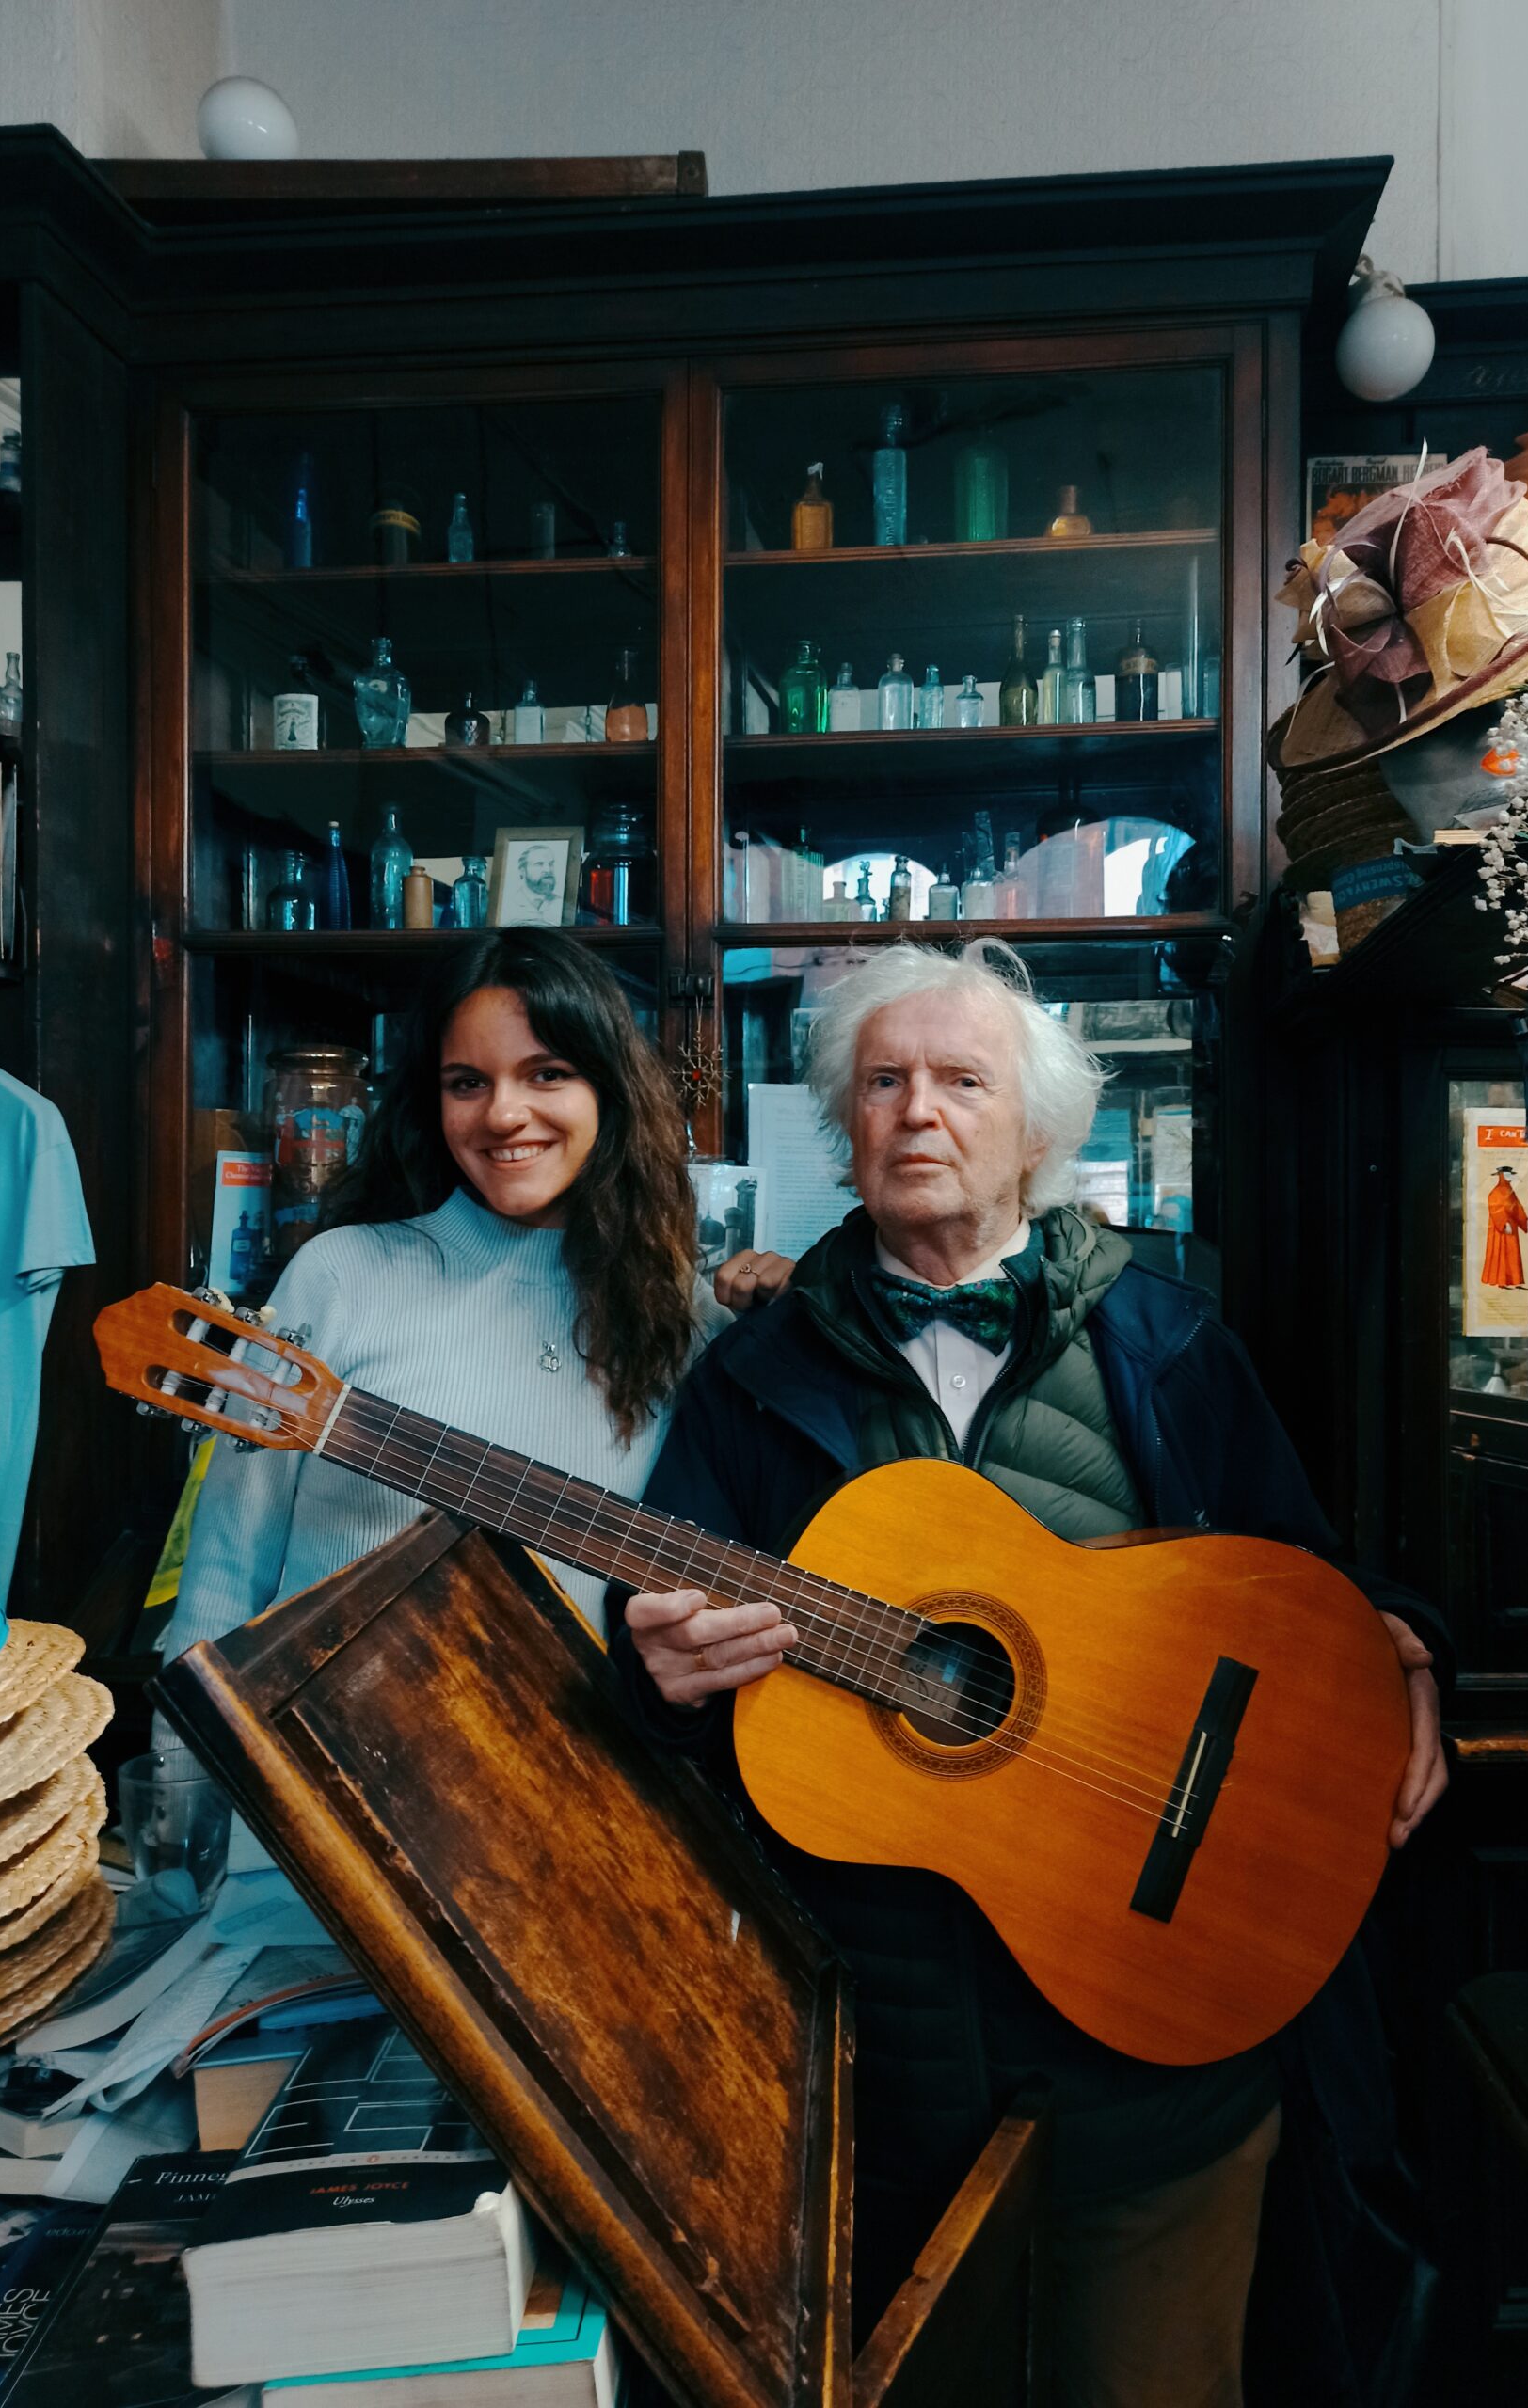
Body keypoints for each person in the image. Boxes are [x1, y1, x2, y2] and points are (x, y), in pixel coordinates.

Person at [615, 939, 1450, 2408]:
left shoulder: (1167, 1336)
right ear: (845, 1122)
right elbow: (659, 1709)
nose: (915, 1112)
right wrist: (666, 1674)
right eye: (881, 1082)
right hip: (882, 2074)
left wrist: (1405, 1659)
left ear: (1040, 1130)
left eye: (958, 1079)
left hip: (1162, 2059)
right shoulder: (746, 1381)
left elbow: (1307, 1584)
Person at [162, 930, 785, 1670]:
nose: (503, 1115)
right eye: (467, 1082)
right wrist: (182, 1780)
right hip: (308, 1762)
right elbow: (224, 1577)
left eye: (546, 1074)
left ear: (610, 1092)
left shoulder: (688, 1324)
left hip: (557, 1771)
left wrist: (792, 1331)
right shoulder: (340, 1276)